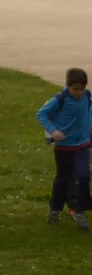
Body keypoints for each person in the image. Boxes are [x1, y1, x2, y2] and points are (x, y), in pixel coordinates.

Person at [36, 67, 91, 230]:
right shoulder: (60, 99)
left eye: (81, 89)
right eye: (75, 89)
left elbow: (89, 110)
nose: (79, 93)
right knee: (63, 179)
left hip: (82, 145)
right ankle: (55, 208)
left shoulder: (87, 96)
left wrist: (90, 124)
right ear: (68, 86)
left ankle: (79, 211)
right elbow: (41, 114)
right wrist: (53, 131)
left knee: (84, 176)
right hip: (64, 147)